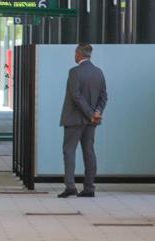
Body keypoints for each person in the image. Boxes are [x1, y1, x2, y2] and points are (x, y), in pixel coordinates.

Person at [57, 44, 107, 198]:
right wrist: (96, 112)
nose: (74, 55)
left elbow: (76, 96)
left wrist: (90, 113)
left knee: (69, 151)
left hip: (74, 119)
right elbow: (104, 96)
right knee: (89, 152)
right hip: (91, 121)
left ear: (79, 54)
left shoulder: (74, 72)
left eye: (75, 53)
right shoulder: (98, 72)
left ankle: (70, 186)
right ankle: (89, 187)